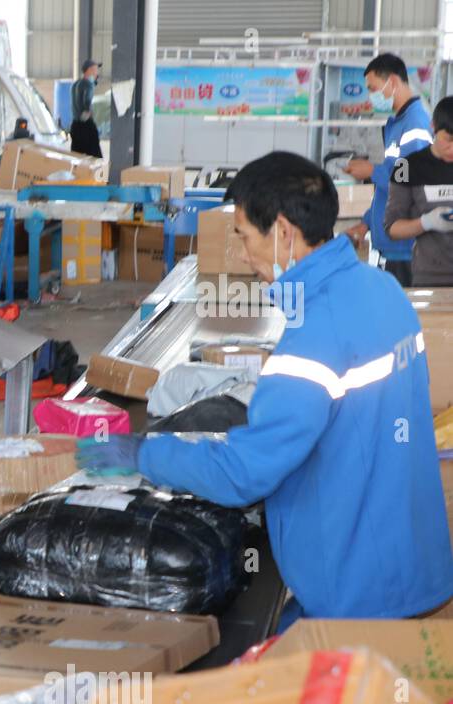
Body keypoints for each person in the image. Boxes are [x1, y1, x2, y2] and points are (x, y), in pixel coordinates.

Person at [77, 152, 453, 629]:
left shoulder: (314, 336)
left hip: (356, 593)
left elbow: (244, 472)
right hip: (410, 561)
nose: (241, 253)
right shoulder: (382, 291)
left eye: (243, 236)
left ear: (282, 232)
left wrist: (141, 455)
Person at [345, 53, 432, 287]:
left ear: (392, 82)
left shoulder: (415, 124)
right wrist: (366, 223)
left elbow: (411, 179)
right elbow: (390, 190)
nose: (372, 96)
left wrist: (371, 170)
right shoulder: (399, 124)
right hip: (391, 247)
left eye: (373, 88)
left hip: (407, 249)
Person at [384, 95, 453, 286]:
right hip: (430, 276)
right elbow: (392, 228)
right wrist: (427, 222)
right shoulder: (406, 167)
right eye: (448, 140)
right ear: (433, 127)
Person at [69, 59, 102, 158]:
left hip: (75, 125)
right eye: (96, 70)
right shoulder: (88, 84)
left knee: (77, 156)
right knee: (94, 157)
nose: (97, 73)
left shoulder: (75, 84)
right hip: (86, 126)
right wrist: (89, 112)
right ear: (90, 70)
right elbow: (87, 101)